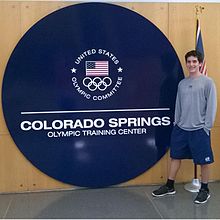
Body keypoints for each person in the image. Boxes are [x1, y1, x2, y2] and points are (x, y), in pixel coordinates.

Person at [152, 50, 217, 204]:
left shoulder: (208, 82)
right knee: (175, 157)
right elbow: (178, 105)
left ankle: (204, 189)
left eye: (194, 61)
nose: (191, 64)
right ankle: (169, 186)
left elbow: (212, 106)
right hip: (181, 128)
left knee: (204, 161)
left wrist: (206, 127)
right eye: (189, 62)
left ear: (200, 63)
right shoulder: (182, 83)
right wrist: (177, 123)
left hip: (199, 129)